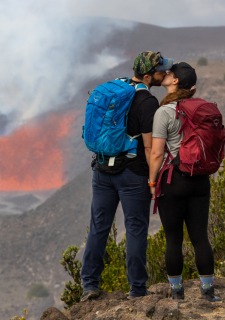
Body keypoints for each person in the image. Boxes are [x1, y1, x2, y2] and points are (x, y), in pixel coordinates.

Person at [80, 51, 173, 301]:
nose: (163, 73)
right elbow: (148, 146)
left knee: (99, 227)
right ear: (147, 76)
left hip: (102, 170)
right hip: (132, 174)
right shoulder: (146, 102)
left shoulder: (116, 88)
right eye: (159, 70)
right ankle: (138, 290)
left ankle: (89, 284)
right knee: (135, 228)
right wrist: (152, 178)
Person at [148, 62, 221, 302]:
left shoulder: (165, 112)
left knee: (173, 238)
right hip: (200, 180)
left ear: (176, 81)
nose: (166, 76)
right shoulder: (201, 109)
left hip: (174, 180)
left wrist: (151, 182)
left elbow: (157, 153)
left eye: (169, 74)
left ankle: (177, 293)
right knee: (200, 236)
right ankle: (208, 292)